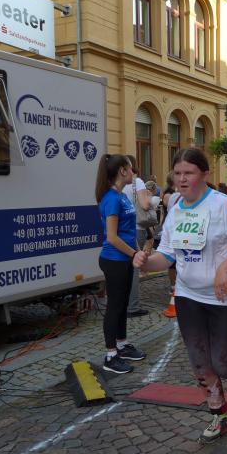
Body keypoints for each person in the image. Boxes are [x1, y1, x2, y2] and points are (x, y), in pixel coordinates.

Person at [134, 149, 227, 443]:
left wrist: (225, 268)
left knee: (225, 365)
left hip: (225, 297)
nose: (181, 179)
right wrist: (145, 263)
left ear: (204, 174)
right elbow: (167, 255)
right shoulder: (176, 208)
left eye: (188, 173)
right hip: (188, 296)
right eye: (177, 173)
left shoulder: (222, 205)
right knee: (200, 362)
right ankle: (220, 414)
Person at [95, 154, 147, 374]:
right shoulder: (111, 199)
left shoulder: (122, 196)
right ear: (122, 171)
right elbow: (112, 237)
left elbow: (127, 231)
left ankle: (122, 345)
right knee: (114, 307)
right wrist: (134, 253)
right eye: (130, 168)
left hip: (125, 258)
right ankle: (110, 356)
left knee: (122, 305)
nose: (133, 171)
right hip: (114, 260)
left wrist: (138, 252)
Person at [122, 155, 152, 318]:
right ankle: (132, 306)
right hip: (137, 227)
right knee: (134, 267)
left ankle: (122, 302)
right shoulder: (137, 182)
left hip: (121, 229)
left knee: (123, 266)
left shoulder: (116, 183)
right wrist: (150, 198)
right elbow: (145, 205)